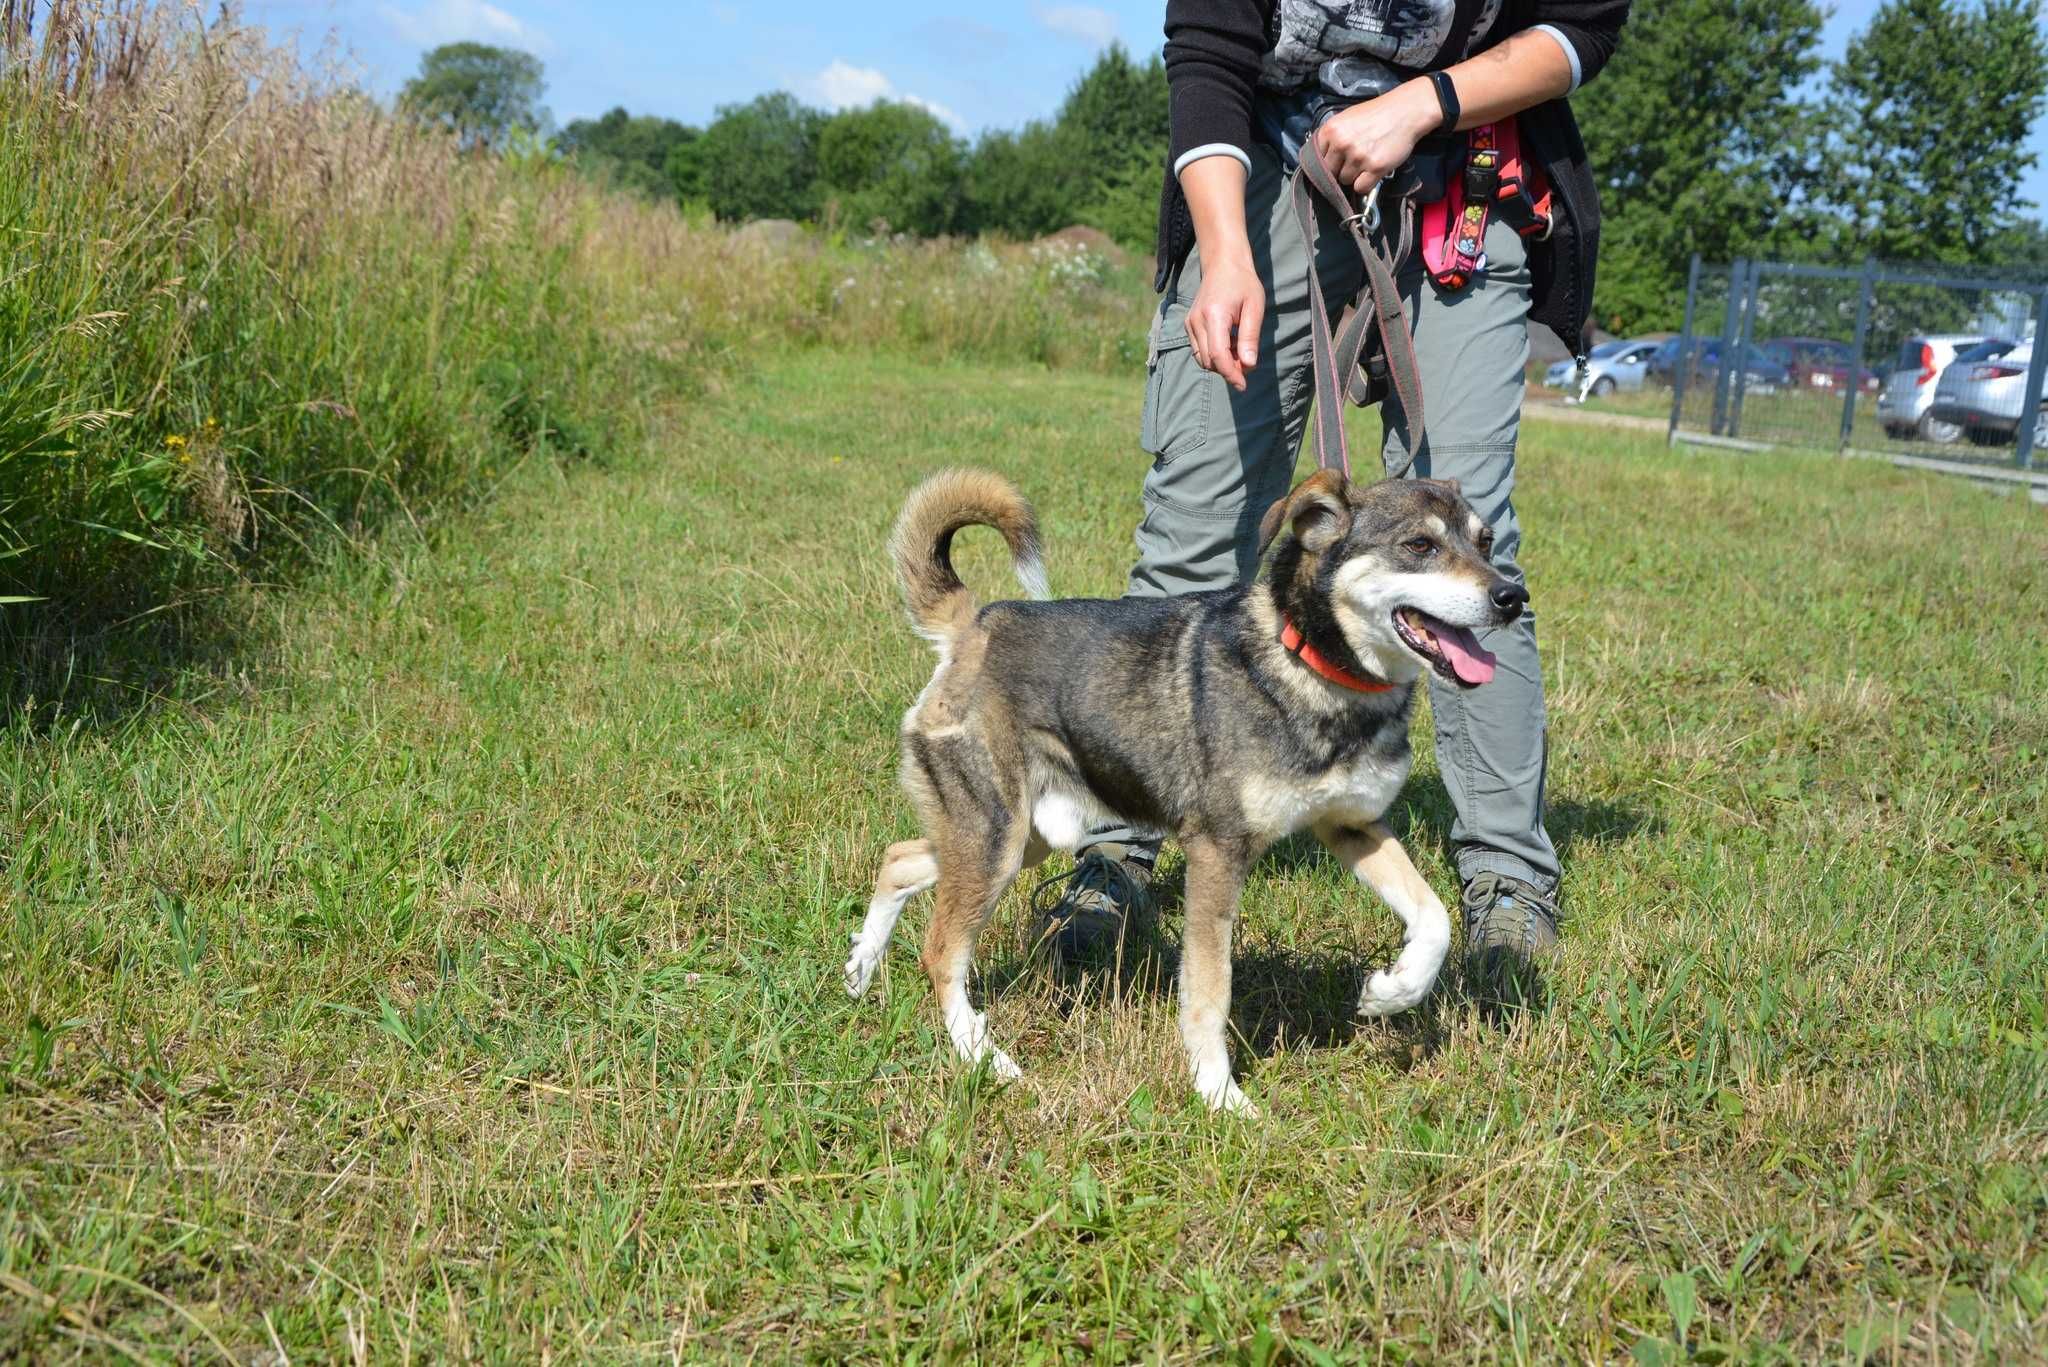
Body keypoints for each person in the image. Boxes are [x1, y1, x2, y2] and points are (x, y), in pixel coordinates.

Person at [1033, 0, 1630, 983]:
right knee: (1193, 529)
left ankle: (1508, 879)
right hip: (1257, 165)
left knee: (1468, 540)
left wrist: (1420, 105)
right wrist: (1223, 251)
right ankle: (1117, 849)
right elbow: (1208, 50)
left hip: (1462, 180)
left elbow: (1579, 29)